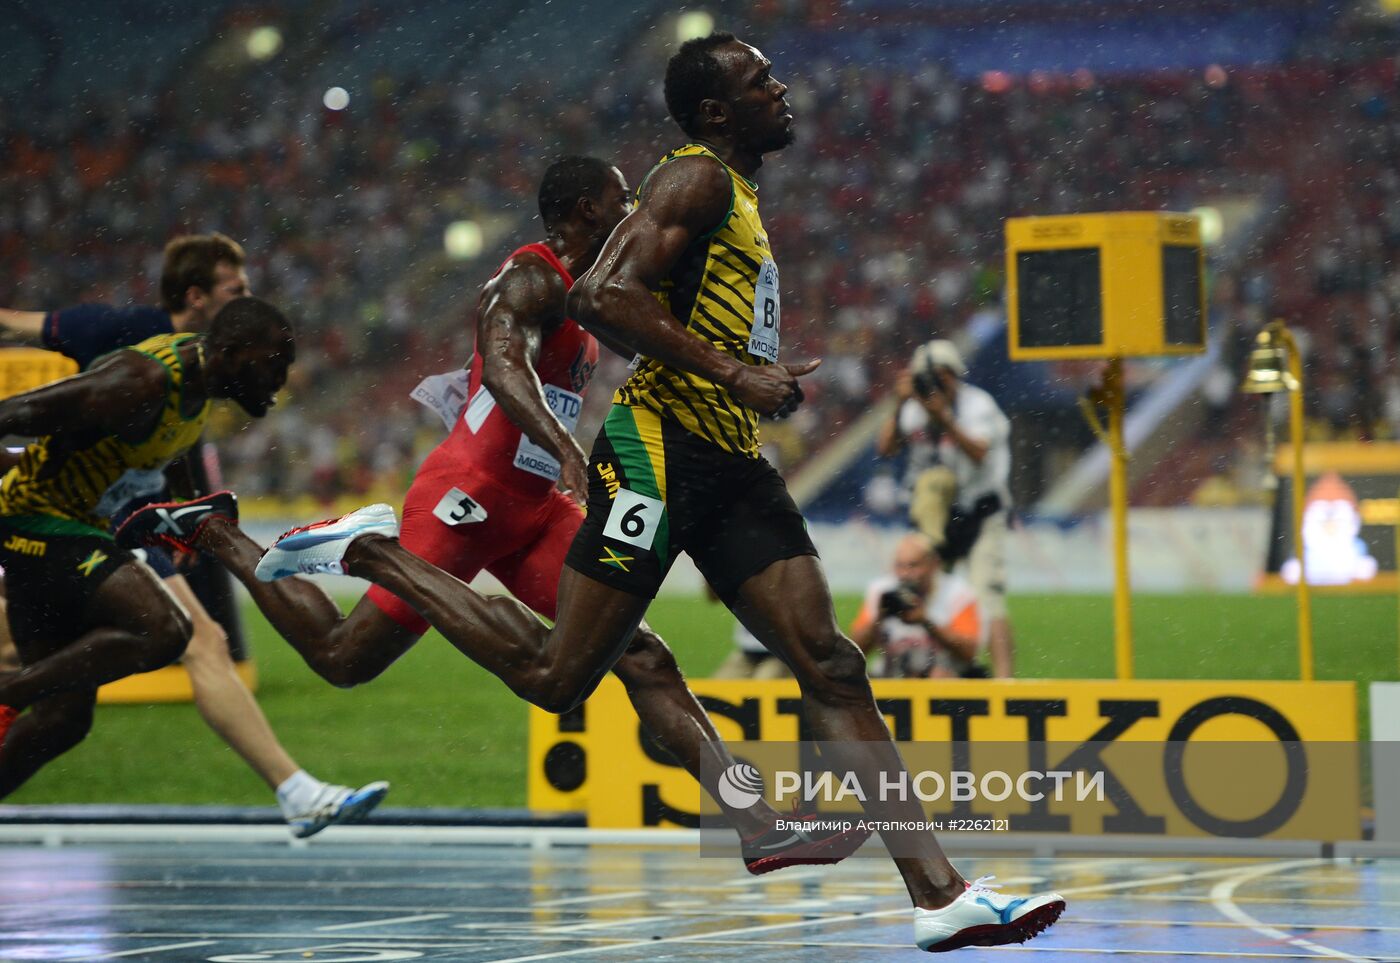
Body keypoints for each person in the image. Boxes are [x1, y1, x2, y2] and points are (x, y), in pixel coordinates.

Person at [133, 35, 1062, 952]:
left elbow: (629, 301)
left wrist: (729, 383)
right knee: (522, 674)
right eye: (759, 80)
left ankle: (926, 886)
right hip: (592, 465)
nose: (781, 88)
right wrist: (713, 381)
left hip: (706, 464)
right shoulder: (667, 194)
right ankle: (364, 549)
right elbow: (592, 304)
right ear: (712, 113)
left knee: (821, 661)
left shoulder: (732, 197)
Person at [121, 157, 867, 874]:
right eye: (621, 199)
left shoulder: (587, 285)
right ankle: (221, 530)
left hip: (533, 508)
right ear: (585, 211)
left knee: (642, 655)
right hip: (468, 495)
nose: (634, 208)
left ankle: (757, 822)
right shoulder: (531, 277)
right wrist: (565, 448)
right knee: (344, 658)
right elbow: (506, 368)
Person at [0, 236, 389, 838]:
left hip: (79, 527)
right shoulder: (143, 377)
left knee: (64, 717)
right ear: (230, 349)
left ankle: (19, 695)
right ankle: (8, 691)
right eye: (273, 363)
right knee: (166, 630)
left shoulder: (197, 391)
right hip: (37, 522)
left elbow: (170, 463)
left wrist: (183, 521)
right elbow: (20, 413)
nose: (281, 381)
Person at [877, 338, 1016, 679]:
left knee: (987, 593)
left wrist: (944, 417)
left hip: (980, 511)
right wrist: (898, 404)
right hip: (938, 513)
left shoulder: (977, 406)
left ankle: (1005, 681)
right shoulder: (912, 409)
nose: (936, 385)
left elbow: (978, 452)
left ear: (955, 376)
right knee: (922, 592)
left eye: (942, 377)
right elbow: (886, 449)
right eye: (928, 378)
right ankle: (921, 667)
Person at [849, 533, 983, 679]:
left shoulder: (957, 594)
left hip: (942, 680)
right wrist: (879, 618)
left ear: (934, 564)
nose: (905, 574)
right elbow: (853, 652)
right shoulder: (881, 592)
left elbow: (970, 652)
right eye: (899, 566)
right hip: (893, 675)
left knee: (939, 675)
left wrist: (927, 622)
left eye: (913, 565)